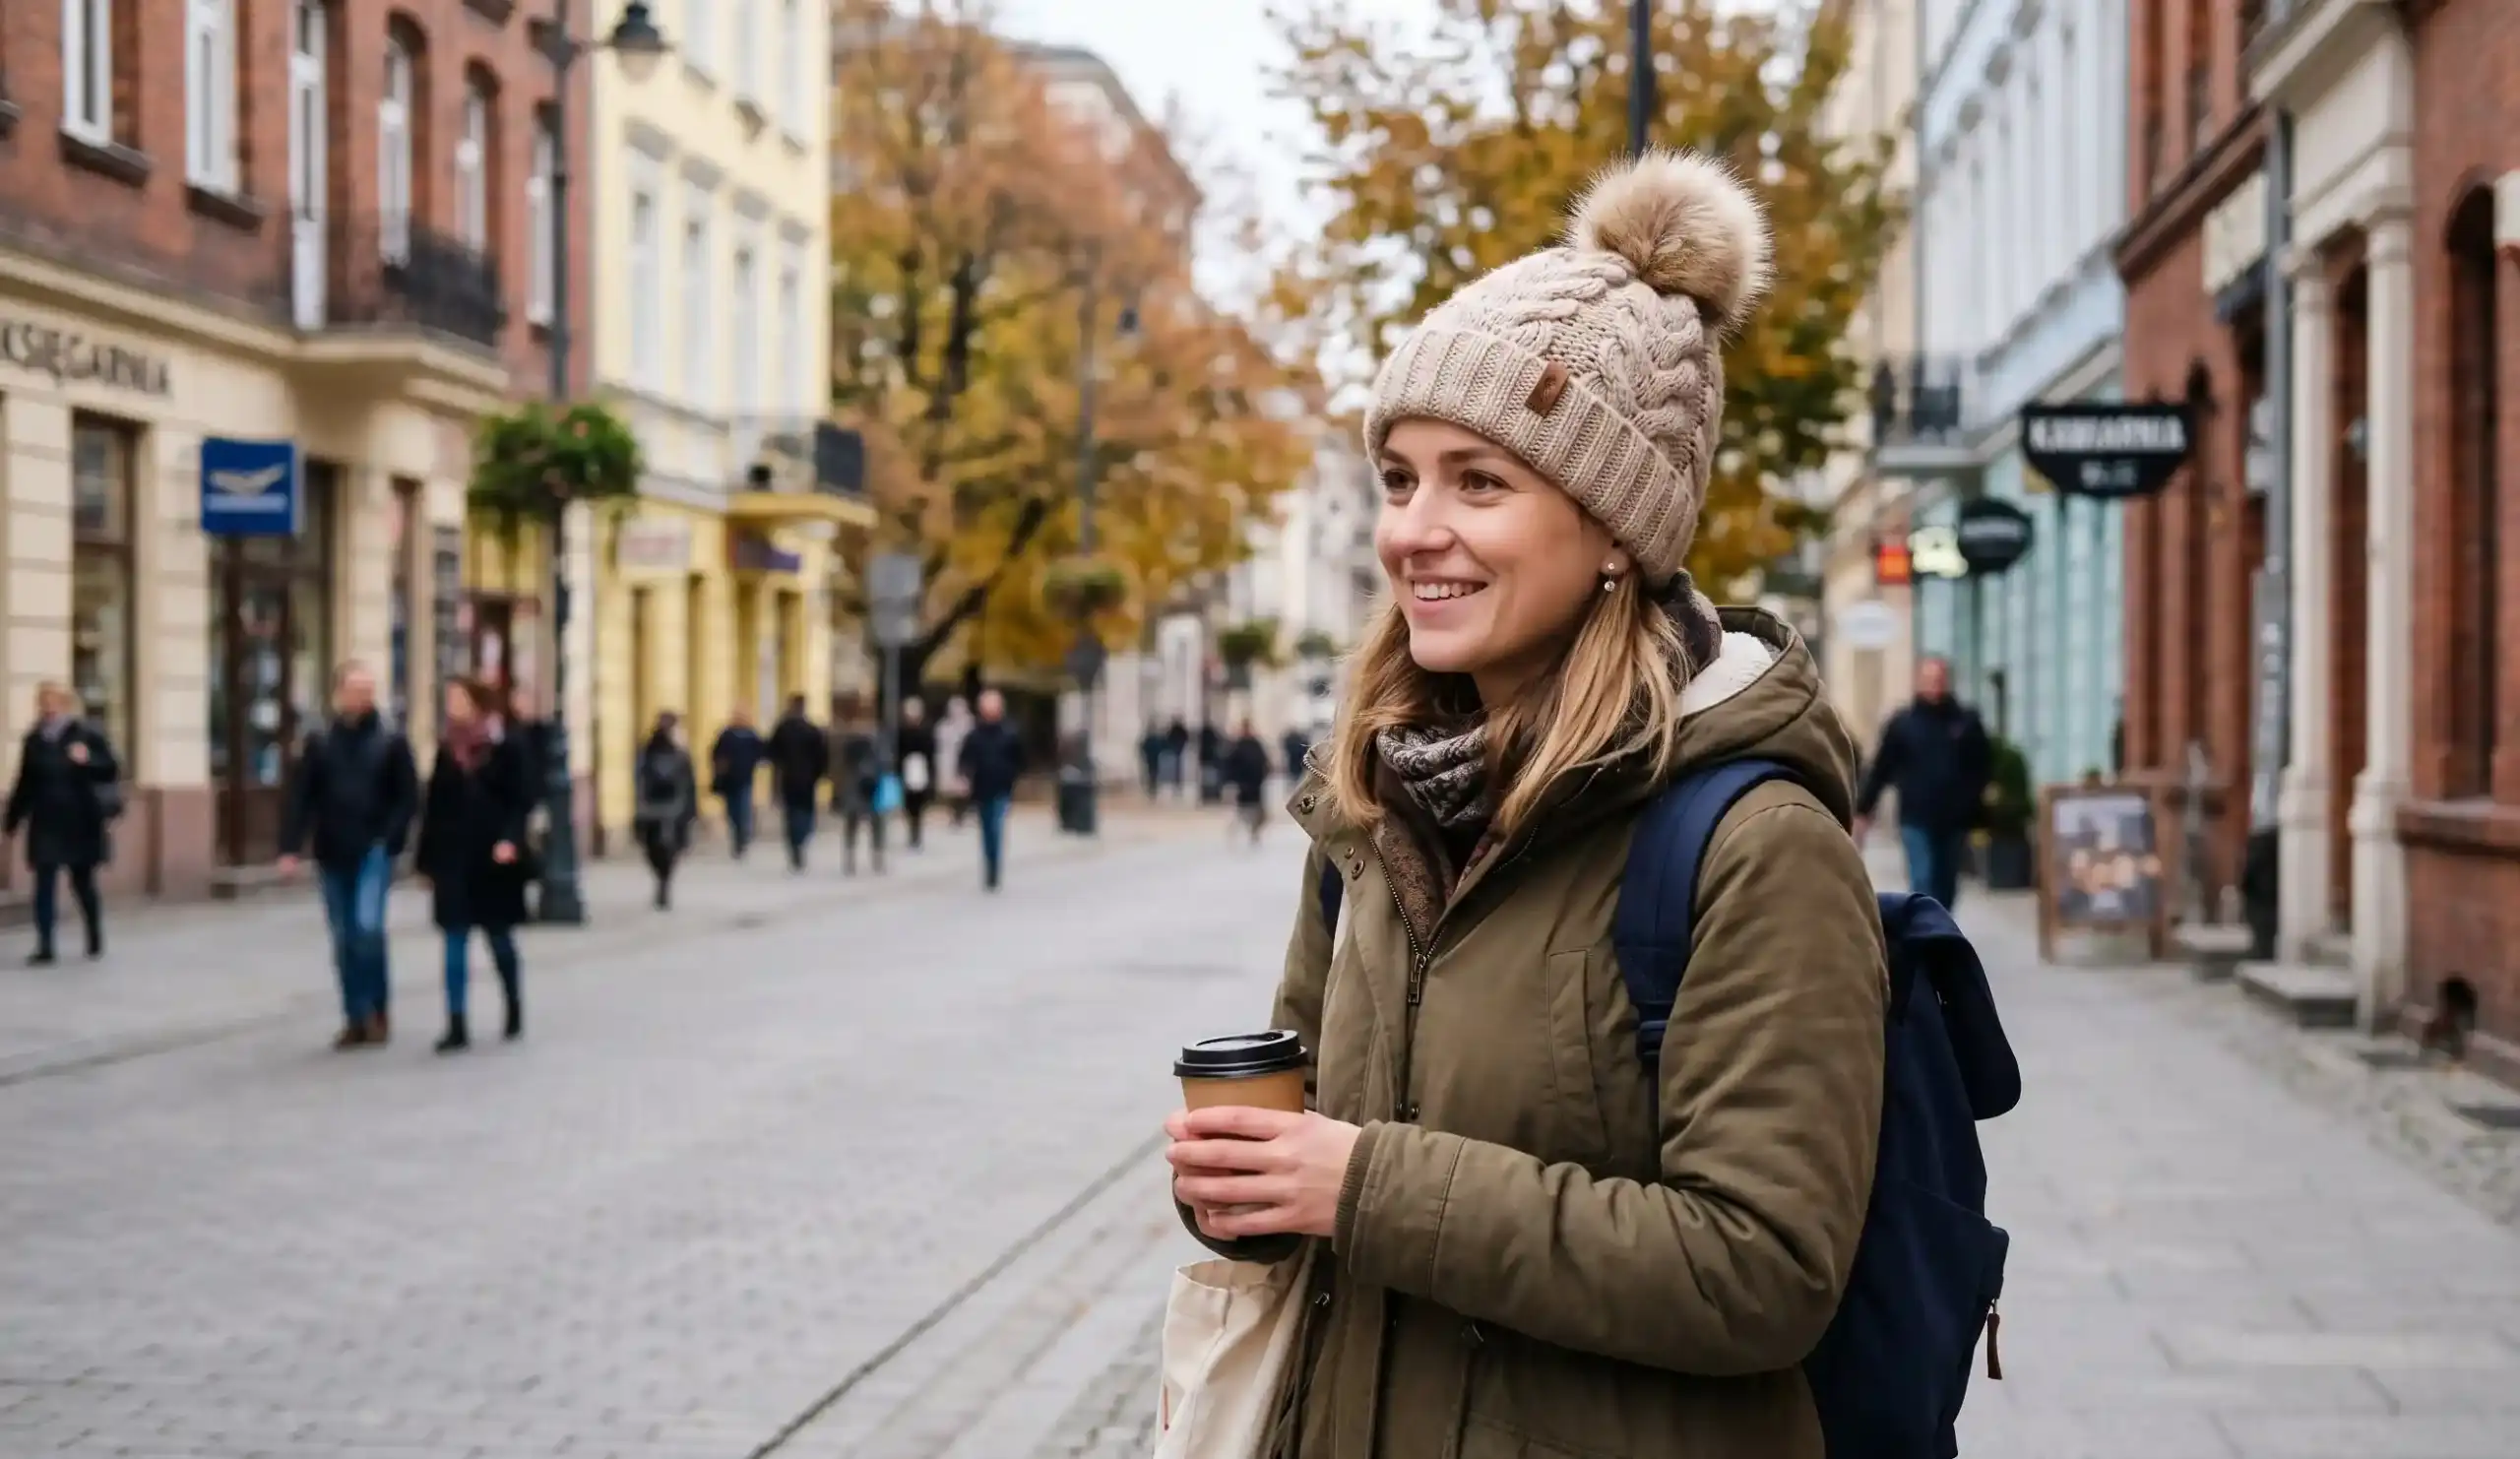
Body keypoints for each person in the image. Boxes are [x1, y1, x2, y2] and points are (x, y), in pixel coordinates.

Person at [1162, 153, 1888, 1459]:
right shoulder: (1381, 803)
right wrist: (1250, 1182)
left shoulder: (1748, 839)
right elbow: (1316, 1144)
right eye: (1399, 477)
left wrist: (1366, 1185)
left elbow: (1766, 1267)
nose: (1413, 530)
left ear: (1616, 528)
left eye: (1479, 482)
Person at [279, 662, 421, 1049]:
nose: (362, 696)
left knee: (368, 928)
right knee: (343, 937)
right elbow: (302, 797)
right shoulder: (321, 740)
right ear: (338, 693)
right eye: (355, 689)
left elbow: (408, 797)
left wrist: (391, 839)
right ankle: (355, 1016)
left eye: (368, 689)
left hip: (373, 848)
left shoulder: (391, 739)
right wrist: (290, 847)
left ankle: (378, 1008)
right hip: (332, 850)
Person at [413, 677, 534, 1052]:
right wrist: (425, 862)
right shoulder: (447, 749)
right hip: (452, 857)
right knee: (453, 939)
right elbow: (433, 808)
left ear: (477, 703)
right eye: (448, 698)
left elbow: (521, 800)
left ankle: (513, 1005)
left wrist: (510, 840)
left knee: (499, 940)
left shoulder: (505, 745)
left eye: (458, 698)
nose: (451, 705)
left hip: (493, 857)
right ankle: (456, 1023)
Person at [1854, 655, 1992, 910]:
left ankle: (1941, 929)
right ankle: (1928, 936)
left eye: (1939, 679)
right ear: (1918, 682)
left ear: (1947, 681)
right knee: (1923, 880)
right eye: (1929, 679)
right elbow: (1882, 768)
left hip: (1954, 819)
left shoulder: (1965, 722)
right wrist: (1864, 809)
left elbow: (1981, 767)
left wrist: (1975, 805)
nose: (1935, 685)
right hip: (1915, 818)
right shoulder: (1903, 724)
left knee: (1946, 883)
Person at [3, 682, 121, 964]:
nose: (48, 708)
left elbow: (111, 769)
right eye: (44, 703)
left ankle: (93, 932)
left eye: (54, 703)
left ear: (65, 705)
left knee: (82, 883)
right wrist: (11, 820)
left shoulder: (85, 734)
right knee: (44, 882)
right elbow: (24, 783)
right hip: (44, 820)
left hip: (80, 820)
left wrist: (87, 760)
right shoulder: (33, 740)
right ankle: (45, 944)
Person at [956, 688, 1023, 891]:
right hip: (981, 787)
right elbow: (965, 758)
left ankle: (994, 869)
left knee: (996, 826)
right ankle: (989, 865)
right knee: (986, 829)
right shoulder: (975, 735)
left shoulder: (1009, 733)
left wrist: (1012, 775)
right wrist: (965, 776)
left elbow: (1019, 758)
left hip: (1002, 787)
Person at [632, 712, 697, 909]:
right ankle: (664, 881)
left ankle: (662, 882)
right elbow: (689, 784)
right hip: (671, 809)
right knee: (667, 849)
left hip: (656, 809)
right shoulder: (676, 752)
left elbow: (639, 779)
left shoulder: (648, 751)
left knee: (656, 849)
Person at [767, 694, 828, 871]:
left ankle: (794, 844)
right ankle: (801, 839)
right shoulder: (812, 729)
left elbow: (771, 751)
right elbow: (822, 756)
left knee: (791, 813)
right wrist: (819, 774)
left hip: (788, 777)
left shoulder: (783, 728)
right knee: (806, 812)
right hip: (808, 779)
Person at [830, 697, 886, 875]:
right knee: (875, 823)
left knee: (852, 822)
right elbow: (885, 760)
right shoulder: (876, 735)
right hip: (872, 784)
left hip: (853, 784)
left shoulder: (845, 736)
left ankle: (850, 859)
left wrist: (837, 786)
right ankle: (876, 857)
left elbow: (838, 763)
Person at [709, 705, 766, 859]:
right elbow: (715, 753)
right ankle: (738, 836)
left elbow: (761, 753)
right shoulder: (727, 734)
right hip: (730, 780)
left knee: (742, 809)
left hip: (744, 779)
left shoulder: (751, 735)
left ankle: (742, 837)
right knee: (733, 811)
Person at [895, 697, 938, 850]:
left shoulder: (926, 731)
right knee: (909, 802)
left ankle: (916, 832)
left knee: (918, 803)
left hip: (920, 768)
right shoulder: (901, 731)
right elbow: (898, 751)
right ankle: (912, 830)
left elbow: (931, 752)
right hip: (907, 768)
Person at [1222, 720, 1272, 845]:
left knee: (1256, 811)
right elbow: (1230, 764)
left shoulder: (1255, 744)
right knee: (1243, 810)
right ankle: (1246, 830)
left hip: (1255, 783)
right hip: (1243, 783)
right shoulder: (1237, 745)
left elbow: (1264, 762)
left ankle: (1253, 831)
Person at [934, 694, 975, 830]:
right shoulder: (943, 726)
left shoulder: (970, 725)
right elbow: (939, 744)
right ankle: (954, 814)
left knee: (963, 788)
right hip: (949, 760)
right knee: (951, 790)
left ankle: (961, 814)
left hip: (965, 761)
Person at [1139, 722, 1167, 800]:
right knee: (1153, 773)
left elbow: (1143, 748)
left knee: (1152, 773)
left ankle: (1152, 788)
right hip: (1154, 758)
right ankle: (1153, 788)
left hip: (1152, 759)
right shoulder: (1154, 740)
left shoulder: (1150, 740)